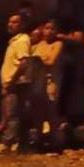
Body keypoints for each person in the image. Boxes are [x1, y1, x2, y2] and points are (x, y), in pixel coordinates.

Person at [0, 13, 32, 153]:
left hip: (16, 83)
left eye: (15, 22)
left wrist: (11, 81)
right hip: (13, 82)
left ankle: (7, 143)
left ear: (22, 25)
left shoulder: (22, 41)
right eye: (9, 21)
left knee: (12, 113)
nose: (10, 24)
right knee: (15, 113)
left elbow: (23, 63)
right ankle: (20, 144)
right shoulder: (14, 41)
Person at [31, 19, 65, 150]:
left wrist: (40, 60)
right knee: (38, 109)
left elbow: (51, 61)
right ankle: (39, 138)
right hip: (38, 81)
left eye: (52, 28)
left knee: (51, 109)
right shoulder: (38, 45)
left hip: (52, 80)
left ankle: (55, 140)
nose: (49, 31)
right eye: (46, 28)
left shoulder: (58, 44)